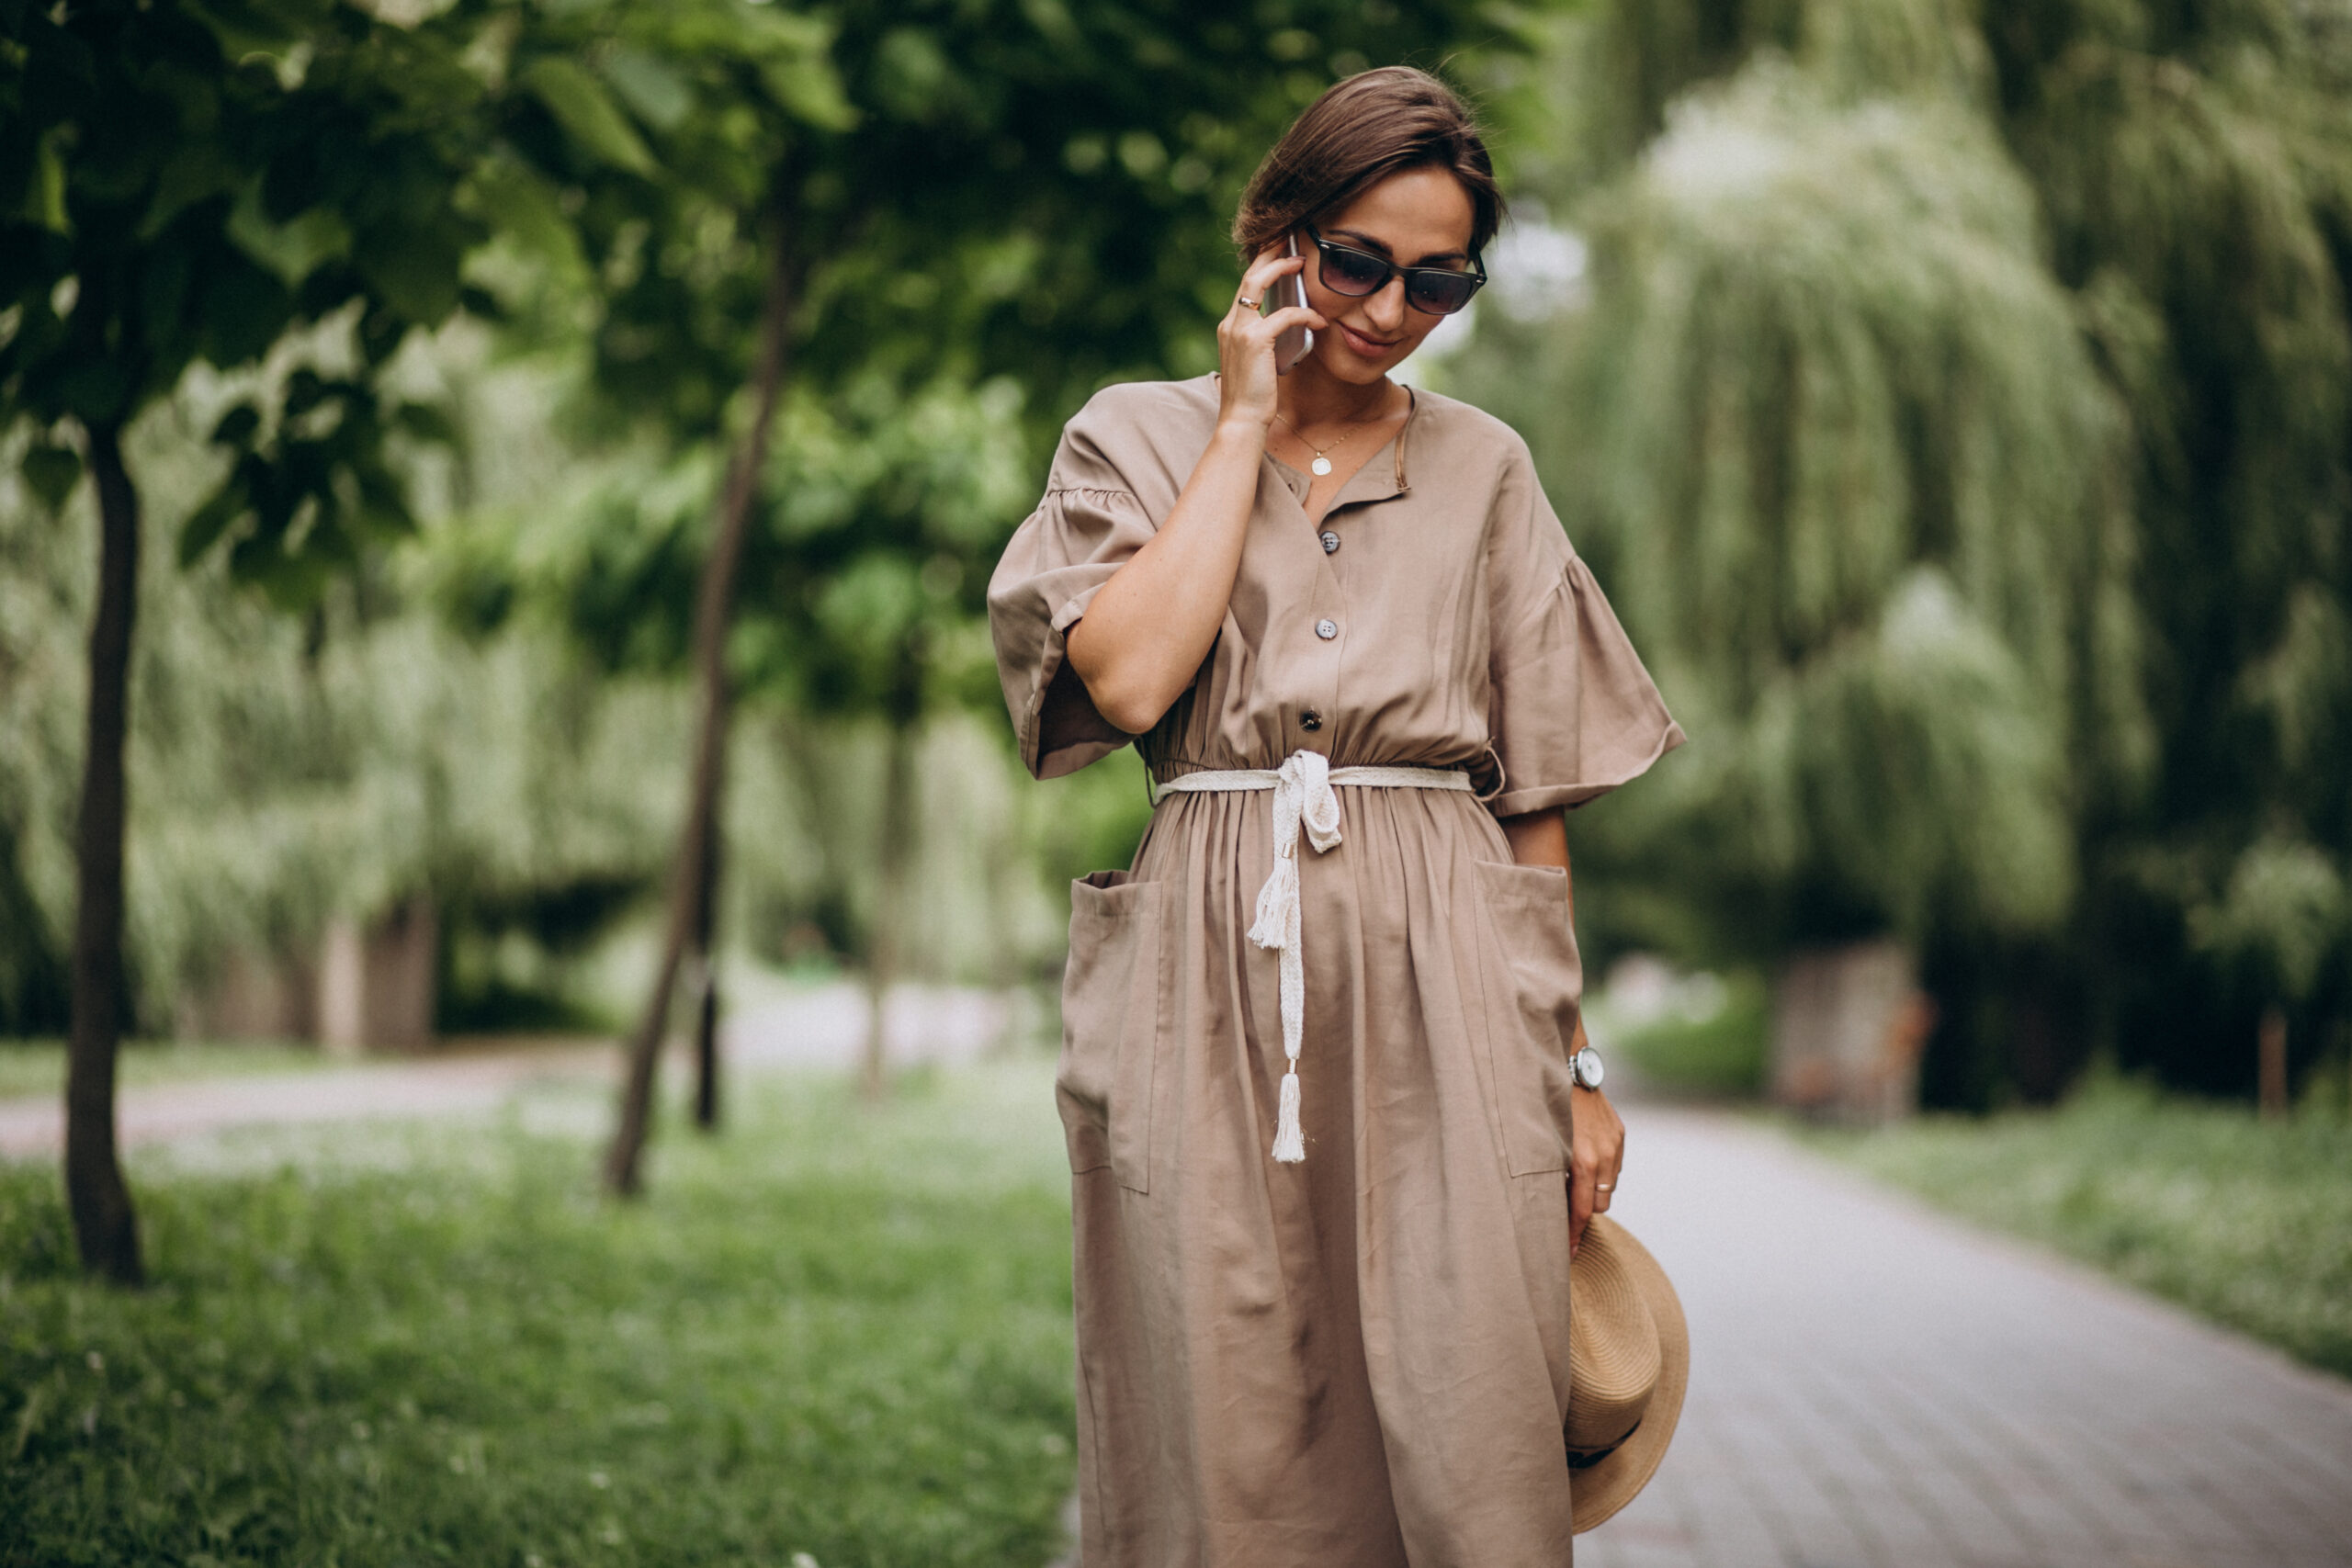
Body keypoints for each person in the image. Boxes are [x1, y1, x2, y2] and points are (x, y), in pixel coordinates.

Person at [987, 66, 1684, 1567]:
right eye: (1359, 259)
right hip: (1203, 984)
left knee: (1467, 1399)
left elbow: (1538, 797)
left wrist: (1573, 1066)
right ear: (1281, 235)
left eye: (1439, 281)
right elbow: (1125, 678)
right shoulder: (1133, 438)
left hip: (1451, 989)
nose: (1387, 310)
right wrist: (1240, 424)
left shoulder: (1489, 468)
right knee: (1221, 1399)